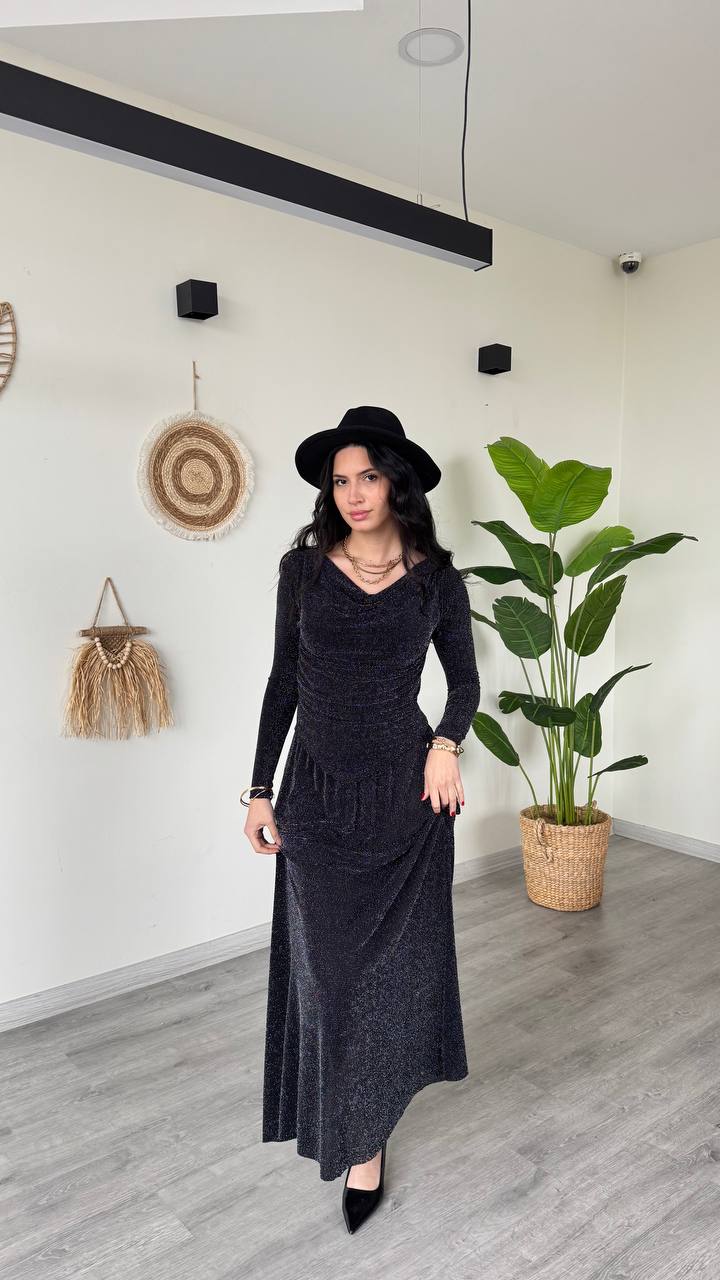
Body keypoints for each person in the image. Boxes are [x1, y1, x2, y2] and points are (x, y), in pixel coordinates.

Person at [241, 405, 481, 1234]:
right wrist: (258, 789)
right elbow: (283, 682)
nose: (352, 493)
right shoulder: (303, 571)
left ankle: (367, 1139)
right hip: (314, 798)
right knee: (331, 979)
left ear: (396, 483)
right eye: (340, 480)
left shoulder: (437, 580)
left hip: (403, 803)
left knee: (388, 981)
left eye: (368, 476)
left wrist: (445, 744)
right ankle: (345, 1119)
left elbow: (464, 683)